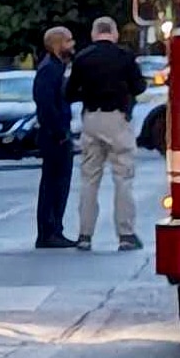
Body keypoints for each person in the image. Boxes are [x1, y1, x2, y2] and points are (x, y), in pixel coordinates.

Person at [67, 15, 144, 251]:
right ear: (114, 33)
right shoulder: (125, 56)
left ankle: (85, 234)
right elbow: (139, 87)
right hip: (117, 119)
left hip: (91, 118)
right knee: (123, 178)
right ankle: (126, 234)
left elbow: (69, 92)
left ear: (94, 33)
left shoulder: (82, 58)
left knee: (89, 179)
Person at [30, 24, 77, 248]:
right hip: (54, 136)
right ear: (58, 44)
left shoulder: (58, 67)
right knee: (54, 184)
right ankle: (49, 231)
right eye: (68, 41)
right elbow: (46, 104)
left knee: (59, 184)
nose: (72, 44)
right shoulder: (49, 69)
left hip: (58, 133)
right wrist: (58, 131)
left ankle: (55, 228)